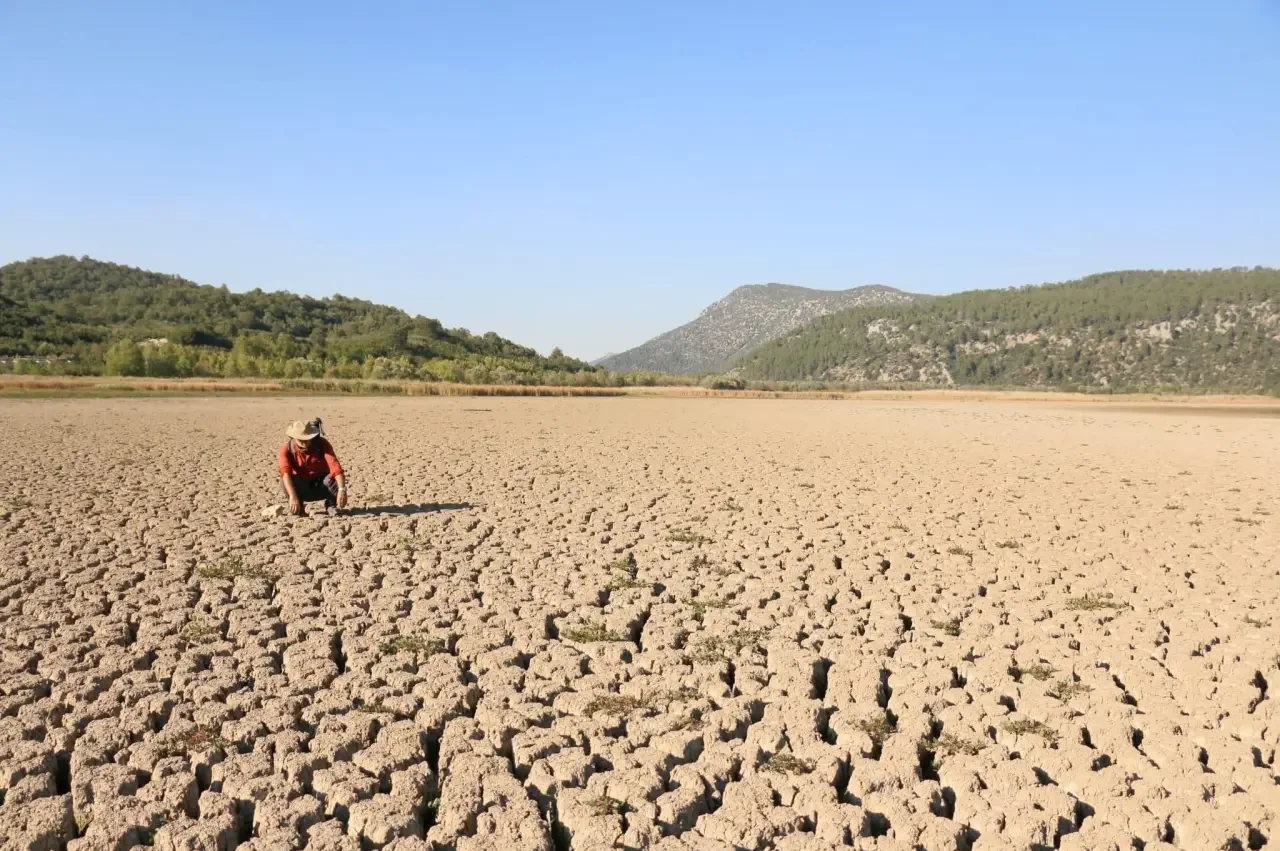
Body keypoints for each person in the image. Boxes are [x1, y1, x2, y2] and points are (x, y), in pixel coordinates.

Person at [278, 419, 348, 515]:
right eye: (300, 440)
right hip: (301, 488)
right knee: (284, 480)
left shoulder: (322, 445)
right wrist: (292, 496)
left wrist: (341, 489)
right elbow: (285, 472)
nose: (304, 443)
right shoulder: (286, 449)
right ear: (293, 438)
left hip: (322, 485)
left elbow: (336, 468)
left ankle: (331, 506)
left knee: (336, 478)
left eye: (306, 439)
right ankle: (299, 507)